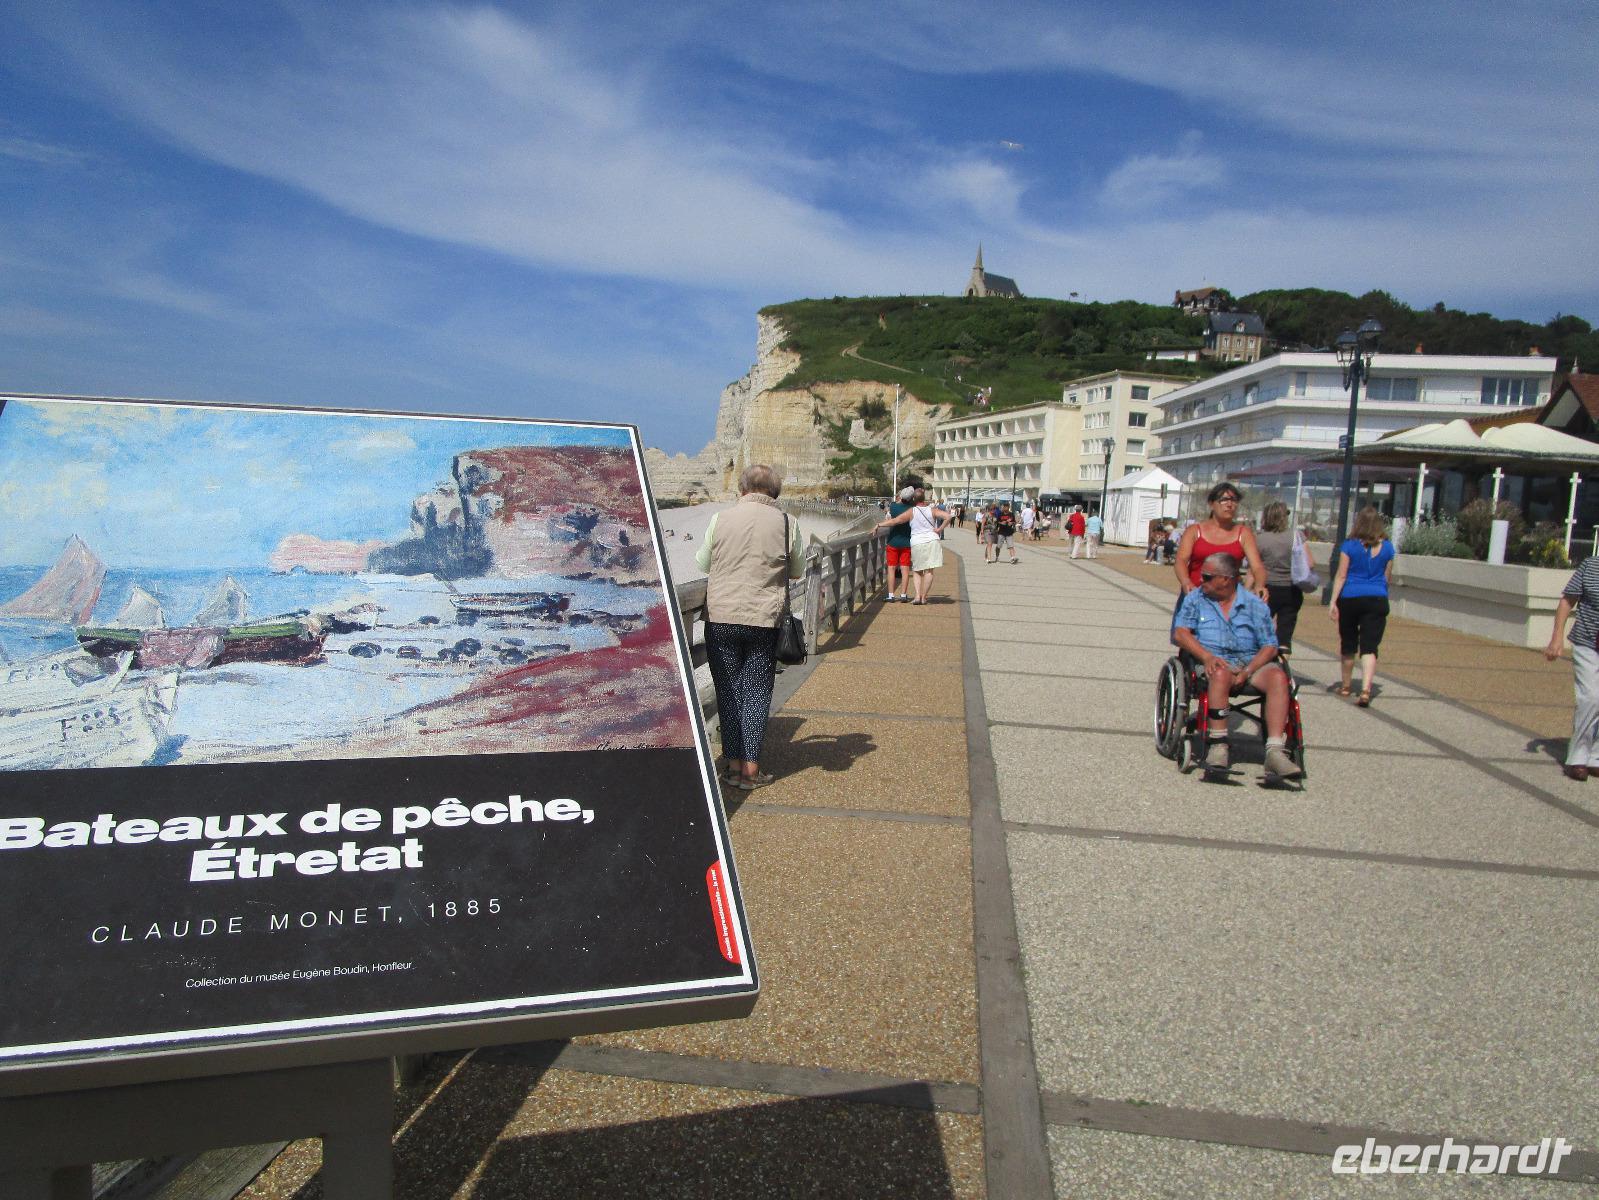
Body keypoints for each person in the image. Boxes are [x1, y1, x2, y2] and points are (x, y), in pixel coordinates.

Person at [695, 464, 804, 791]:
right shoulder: (787, 522)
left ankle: (731, 768)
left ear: (742, 489)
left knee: (728, 692)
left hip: (722, 617)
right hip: (764, 620)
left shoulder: (720, 518)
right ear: (775, 491)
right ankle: (751, 772)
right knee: (756, 693)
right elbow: (797, 570)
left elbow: (702, 563)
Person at [1171, 552, 1302, 779]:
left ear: (1226, 579)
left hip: (1251, 662)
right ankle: (1218, 745)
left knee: (1278, 678)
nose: (1201, 580)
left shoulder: (1254, 604)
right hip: (1213, 661)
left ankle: (1275, 751)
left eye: (1207, 576)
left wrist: (1249, 669)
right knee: (1220, 673)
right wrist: (1206, 657)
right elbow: (1181, 633)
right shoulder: (1196, 599)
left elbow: (1270, 645)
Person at [1326, 505, 1394, 707]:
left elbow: (1341, 575)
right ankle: (1365, 690)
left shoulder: (1349, 546)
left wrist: (1333, 601)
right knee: (1369, 647)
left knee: (1348, 643)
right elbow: (1386, 578)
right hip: (1376, 598)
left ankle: (1346, 686)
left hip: (1350, 597)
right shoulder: (1388, 547)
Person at [1545, 554, 1599, 780]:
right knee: (1591, 698)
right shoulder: (1590, 566)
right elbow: (1567, 601)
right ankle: (1577, 757)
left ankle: (1595, 757)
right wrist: (1556, 638)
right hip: (1587, 643)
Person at [1174, 482, 1265, 600]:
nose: (1230, 504)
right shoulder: (1194, 531)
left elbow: (1257, 566)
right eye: (1224, 500)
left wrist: (1259, 585)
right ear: (1211, 504)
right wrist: (1185, 581)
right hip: (1195, 596)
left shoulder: (1244, 533)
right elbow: (1181, 560)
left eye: (1234, 500)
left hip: (1228, 600)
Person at [1254, 500, 1313, 662]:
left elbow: (1254, 566)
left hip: (1267, 588)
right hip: (1291, 588)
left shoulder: (1260, 539)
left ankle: (1262, 659)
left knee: (1261, 626)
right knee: (1285, 629)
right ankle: (1283, 663)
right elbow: (1310, 562)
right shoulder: (1296, 536)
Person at [876, 489, 952, 604]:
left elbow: (896, 521)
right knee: (929, 570)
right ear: (923, 499)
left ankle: (916, 596)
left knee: (917, 571)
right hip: (932, 540)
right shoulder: (932, 510)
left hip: (916, 542)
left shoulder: (910, 511)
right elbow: (948, 516)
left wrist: (879, 525)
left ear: (913, 499)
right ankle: (923, 597)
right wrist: (939, 529)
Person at [883, 485, 915, 602]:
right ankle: (903, 595)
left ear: (901, 496)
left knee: (891, 568)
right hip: (907, 541)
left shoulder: (894, 506)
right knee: (905, 569)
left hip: (893, 541)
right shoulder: (913, 509)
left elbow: (889, 516)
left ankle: (891, 595)